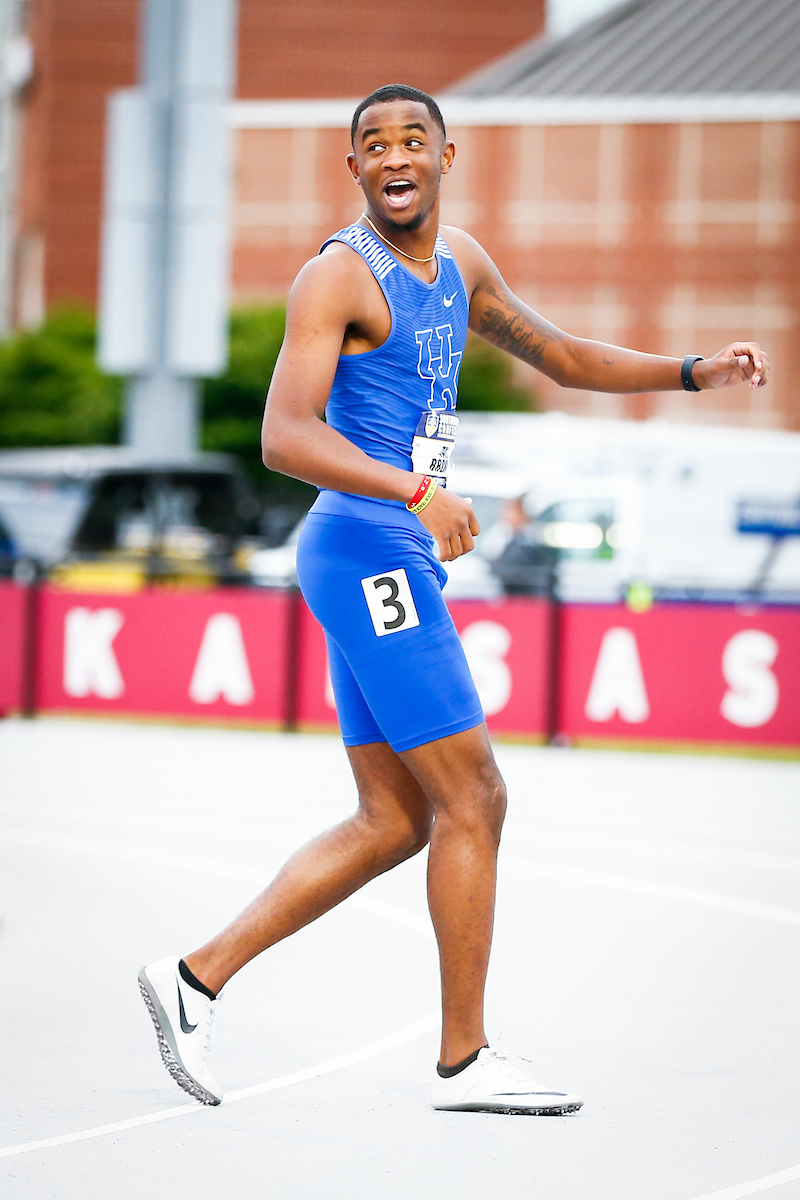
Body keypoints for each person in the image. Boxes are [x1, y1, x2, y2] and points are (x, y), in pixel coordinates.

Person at [138, 83, 769, 1115]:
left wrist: (692, 371)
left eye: (412, 140)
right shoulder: (335, 276)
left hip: (388, 554)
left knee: (395, 819)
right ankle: (464, 1057)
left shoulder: (461, 262)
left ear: (444, 156)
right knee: (474, 796)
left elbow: (562, 356)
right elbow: (283, 435)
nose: (395, 156)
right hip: (367, 551)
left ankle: (192, 981)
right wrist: (416, 492)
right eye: (374, 143)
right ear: (353, 167)